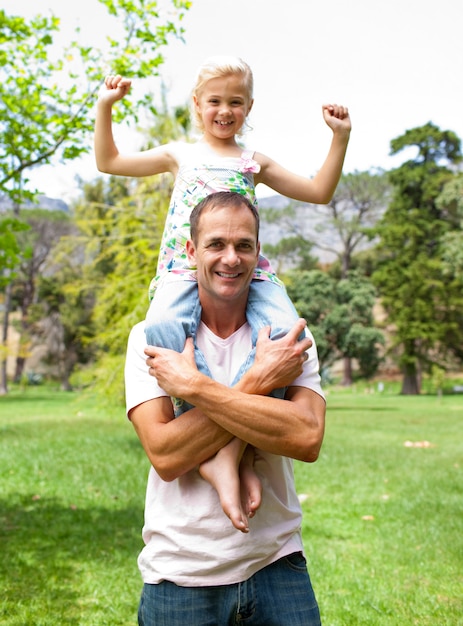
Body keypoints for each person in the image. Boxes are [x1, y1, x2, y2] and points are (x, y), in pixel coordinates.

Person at [95, 55, 349, 531]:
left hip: (249, 275)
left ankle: (235, 453)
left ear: (249, 106)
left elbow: (318, 191)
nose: (224, 110)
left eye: (235, 101)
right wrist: (106, 107)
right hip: (181, 272)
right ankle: (216, 451)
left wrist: (340, 139)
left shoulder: (255, 162)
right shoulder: (180, 154)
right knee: (163, 331)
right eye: (215, 101)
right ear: (197, 105)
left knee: (285, 337)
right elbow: (109, 162)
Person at [125, 191, 326, 625]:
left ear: (259, 252)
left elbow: (306, 436)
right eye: (216, 244)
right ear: (192, 251)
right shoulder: (151, 337)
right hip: (181, 572)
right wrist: (258, 383)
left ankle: (232, 460)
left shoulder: (288, 341)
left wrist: (194, 387)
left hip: (277, 561)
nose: (231, 258)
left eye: (244, 245)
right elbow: (167, 454)